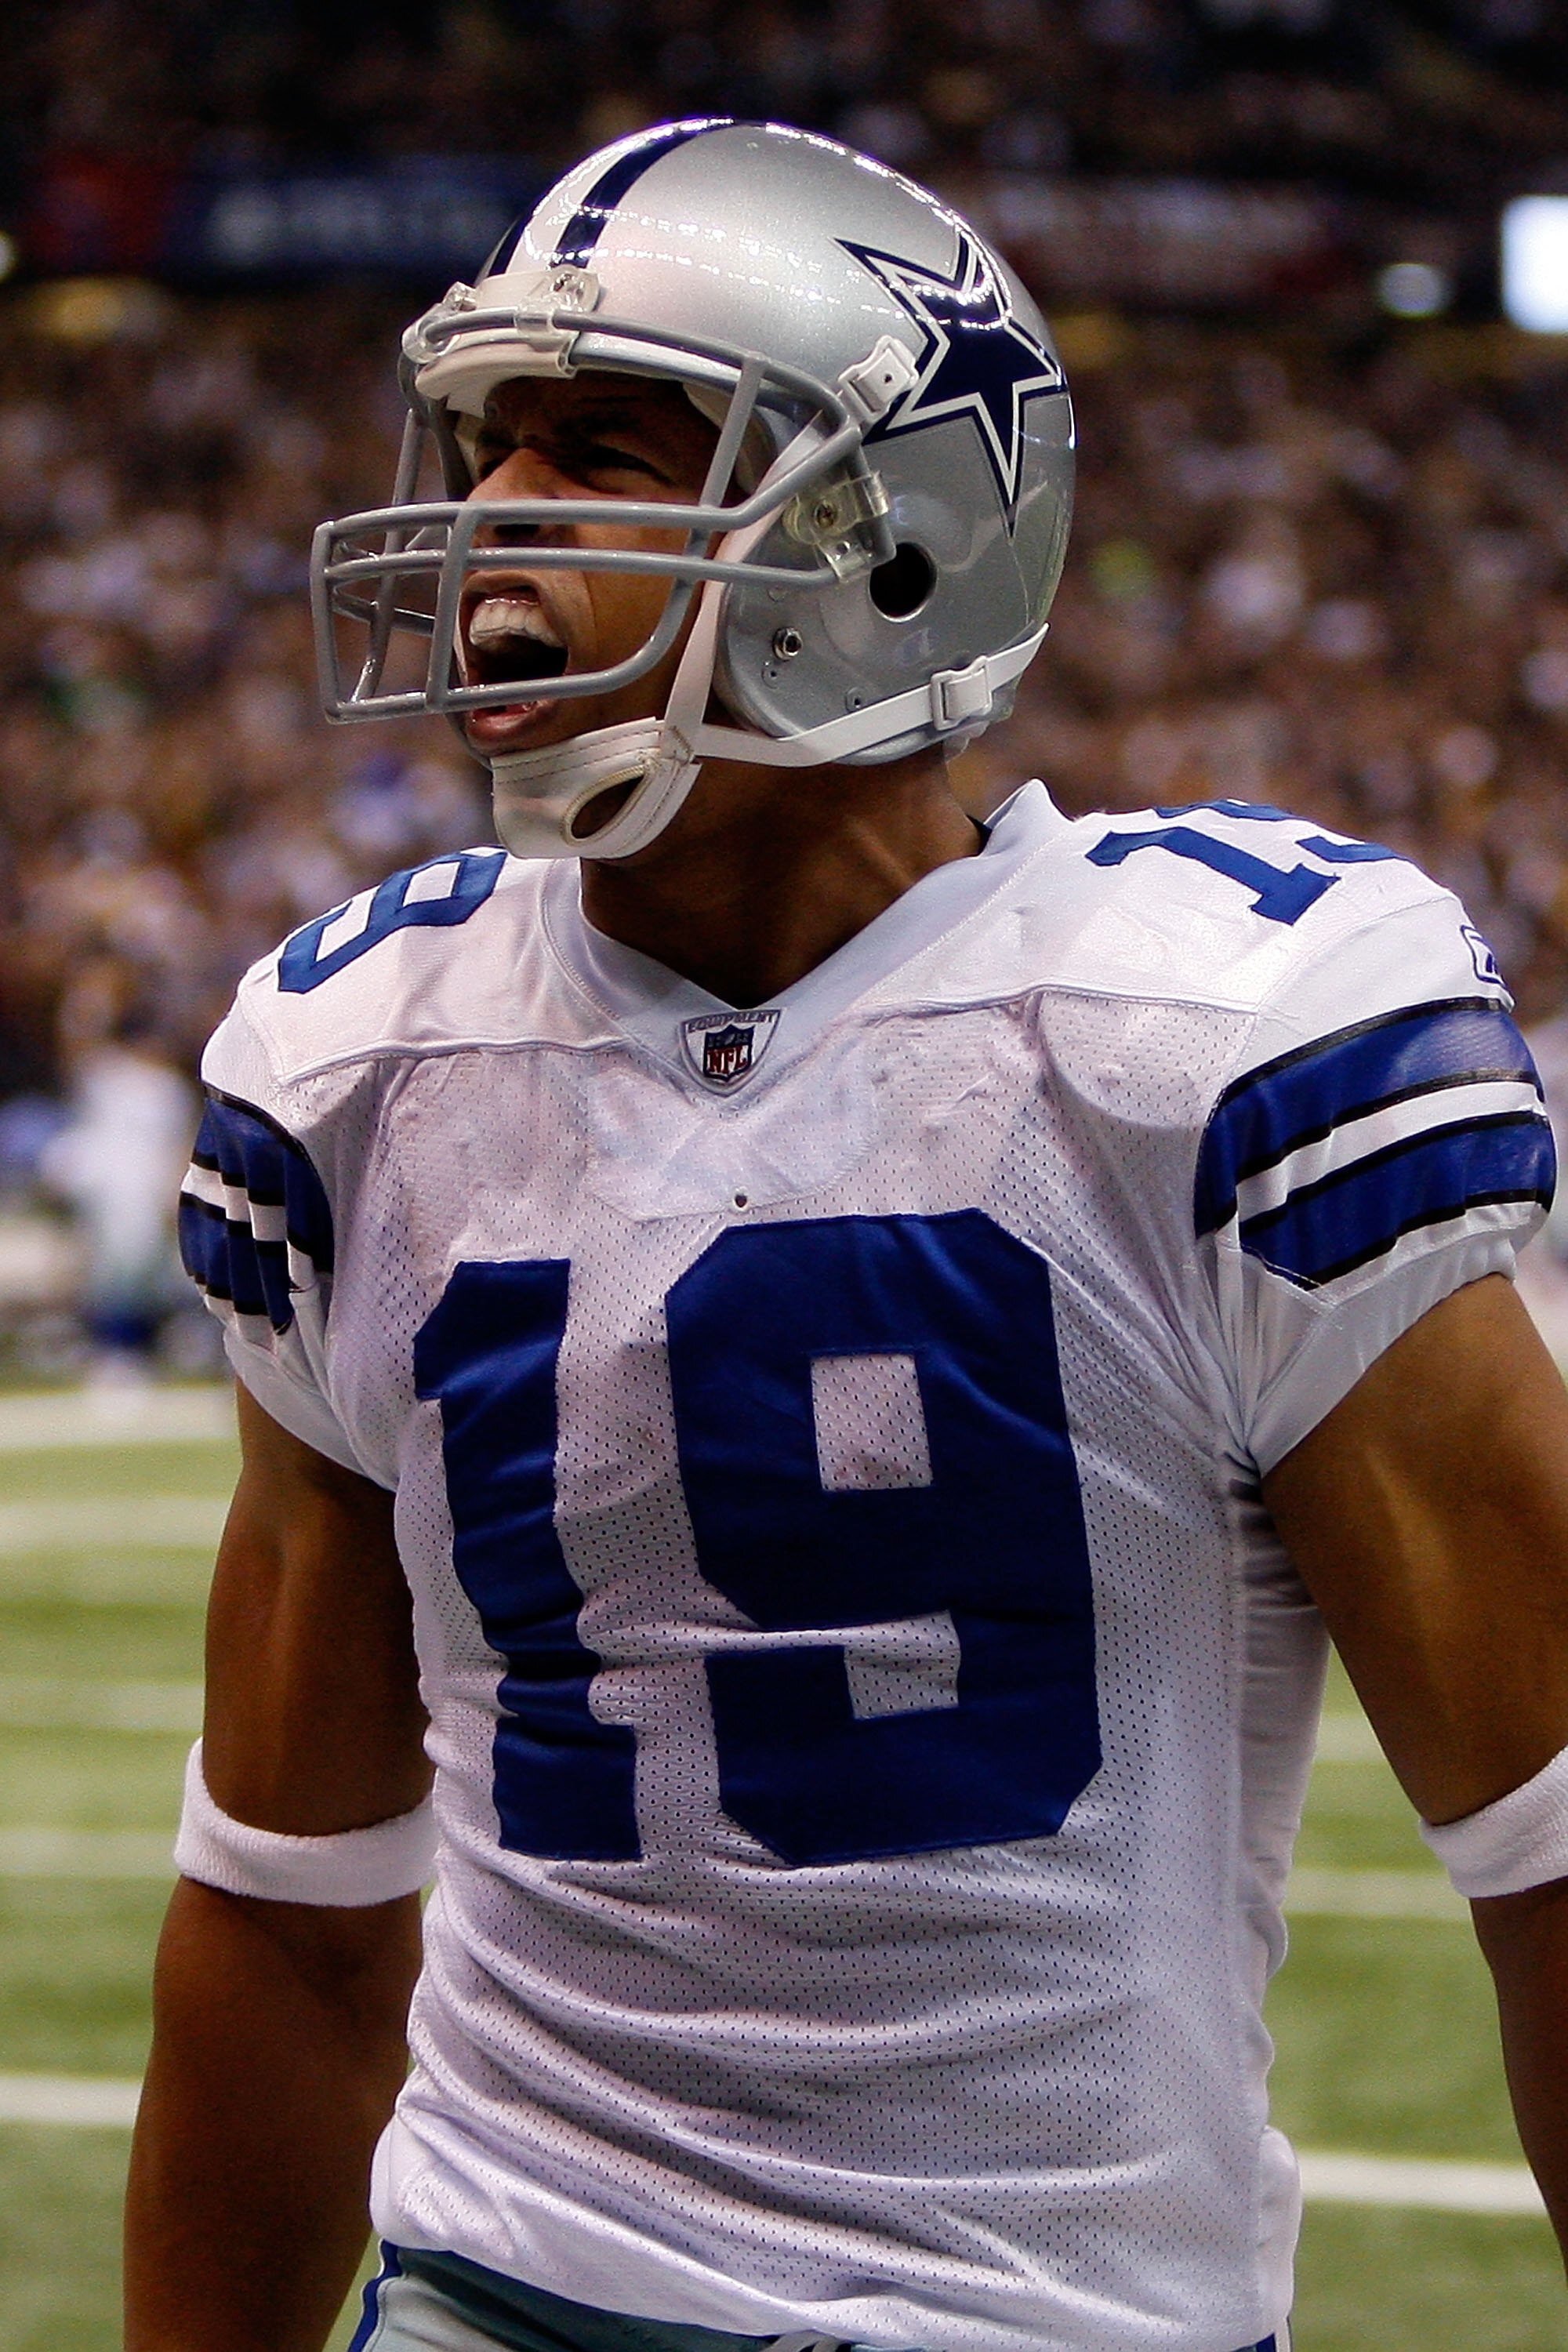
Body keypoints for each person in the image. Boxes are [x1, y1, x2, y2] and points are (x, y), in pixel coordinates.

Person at [126, 121, 1568, 2352]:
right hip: (499, 2291)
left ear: (894, 541)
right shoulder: (354, 1064)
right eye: (493, 442)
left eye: (612, 444)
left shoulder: (1223, 1038)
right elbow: (299, 1908)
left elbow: (1549, 1851)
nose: (499, 511)